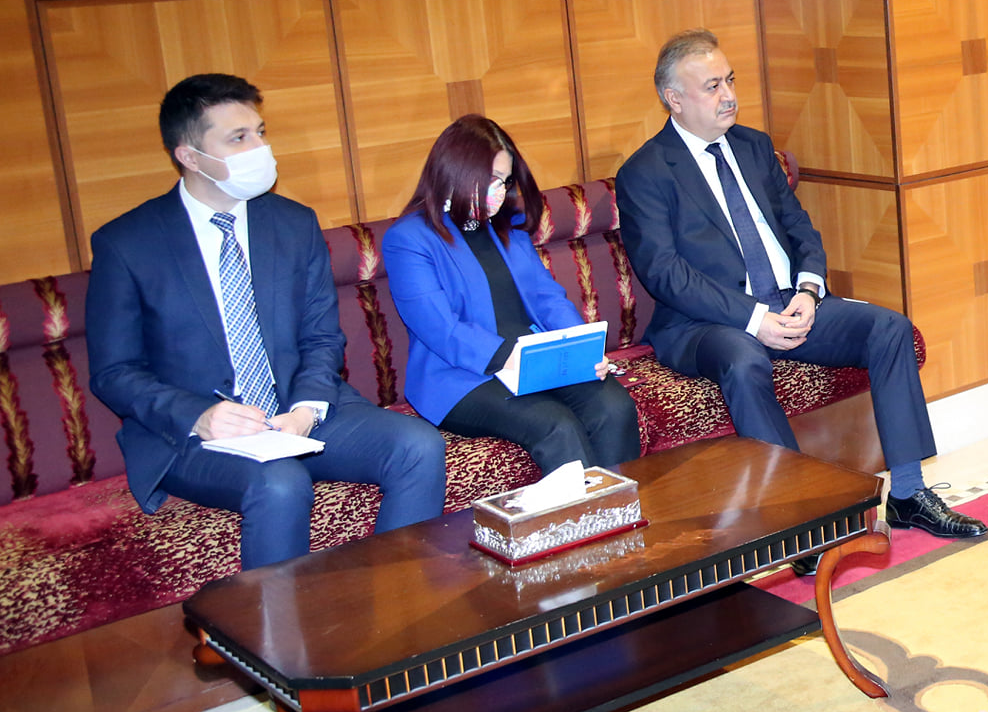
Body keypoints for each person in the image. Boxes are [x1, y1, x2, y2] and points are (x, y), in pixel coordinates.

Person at [615, 29, 985, 563]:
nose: (729, 96)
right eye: (712, 86)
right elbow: (665, 274)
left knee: (890, 329)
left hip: (790, 300)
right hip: (704, 324)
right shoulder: (646, 172)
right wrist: (755, 318)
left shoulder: (753, 147)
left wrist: (809, 290)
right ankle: (801, 519)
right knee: (743, 361)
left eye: (730, 80)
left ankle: (908, 492)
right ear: (674, 99)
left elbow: (799, 228)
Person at [86, 74, 447, 569]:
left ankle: (395, 601)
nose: (259, 149)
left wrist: (307, 408)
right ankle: (276, 623)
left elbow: (322, 336)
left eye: (260, 132)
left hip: (295, 409)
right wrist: (199, 415)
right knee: (281, 482)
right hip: (196, 434)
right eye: (238, 138)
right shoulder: (128, 243)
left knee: (418, 445)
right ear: (190, 156)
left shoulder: (293, 223)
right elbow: (114, 372)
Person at [383, 115, 642, 477]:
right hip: (463, 377)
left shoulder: (507, 228)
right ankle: (588, 514)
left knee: (614, 407)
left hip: (533, 360)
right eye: (491, 180)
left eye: (504, 181)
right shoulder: (409, 239)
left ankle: (621, 505)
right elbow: (441, 329)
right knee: (556, 424)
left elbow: (547, 298)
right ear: (455, 170)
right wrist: (511, 357)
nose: (500, 192)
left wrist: (582, 348)